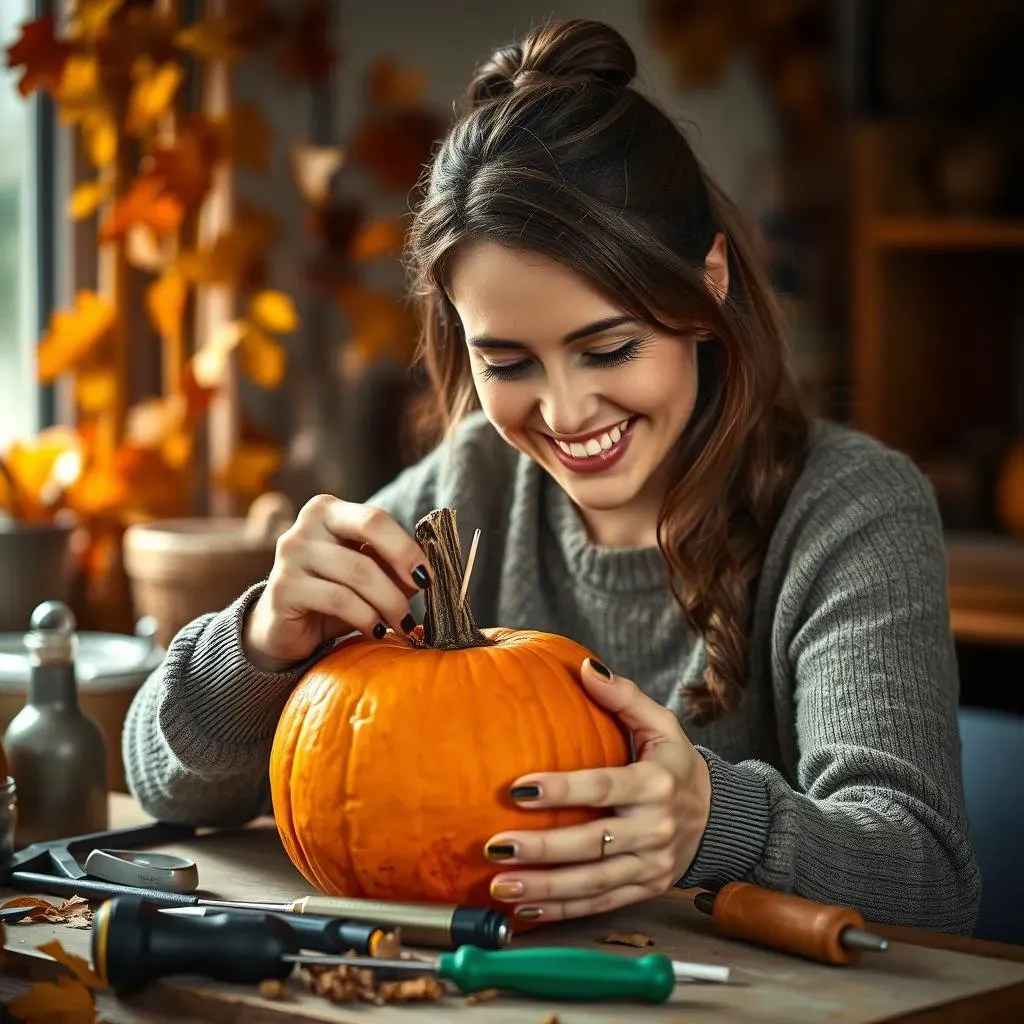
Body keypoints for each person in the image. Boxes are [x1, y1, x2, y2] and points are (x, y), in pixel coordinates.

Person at [122, 18, 981, 935]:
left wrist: (711, 822)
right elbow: (162, 782)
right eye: (509, 363)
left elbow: (928, 879)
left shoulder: (850, 512)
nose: (566, 415)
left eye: (608, 347)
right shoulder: (469, 490)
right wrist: (256, 646)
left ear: (709, 286)